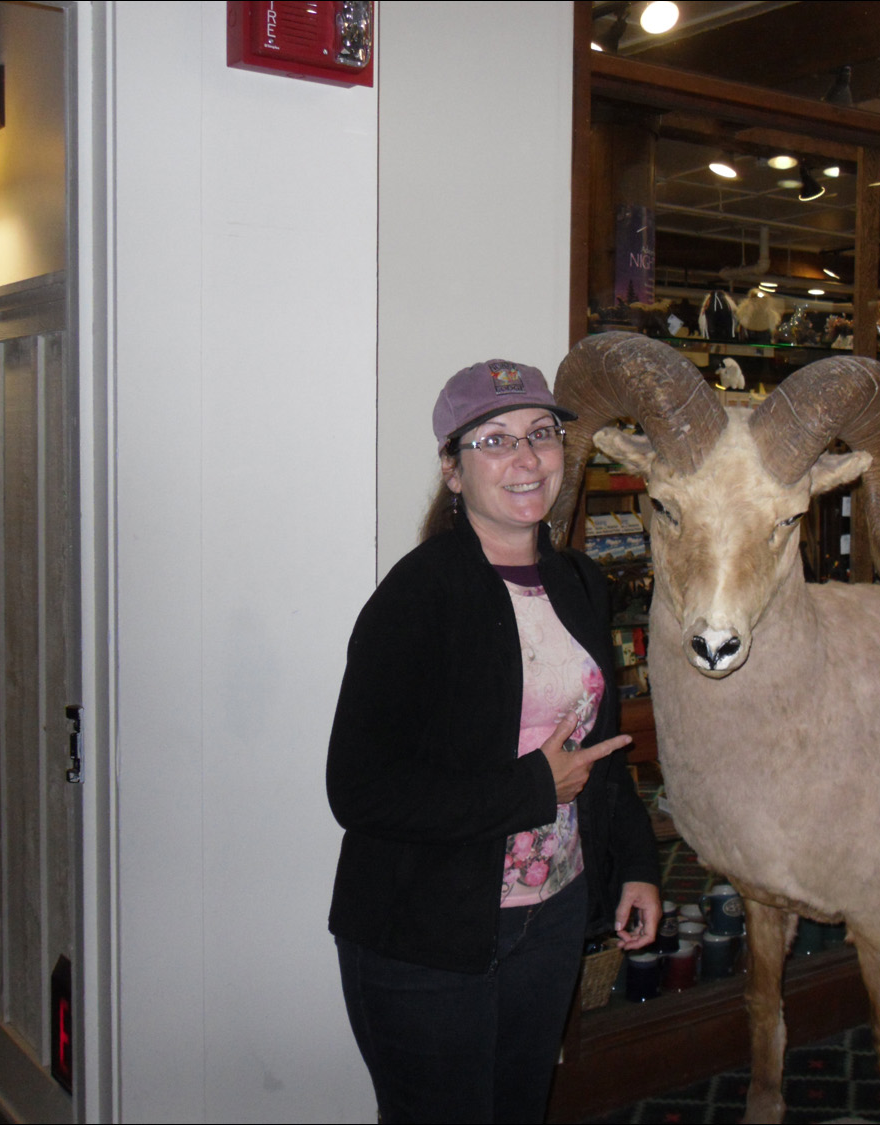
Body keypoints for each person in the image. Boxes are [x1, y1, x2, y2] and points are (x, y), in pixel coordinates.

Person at [326, 359, 661, 1124]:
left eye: (541, 435)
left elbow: (597, 752)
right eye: (495, 440)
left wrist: (635, 864)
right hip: (425, 934)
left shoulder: (579, 582)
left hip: (551, 915)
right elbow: (358, 789)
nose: (526, 458)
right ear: (451, 469)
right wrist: (532, 789)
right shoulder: (416, 598)